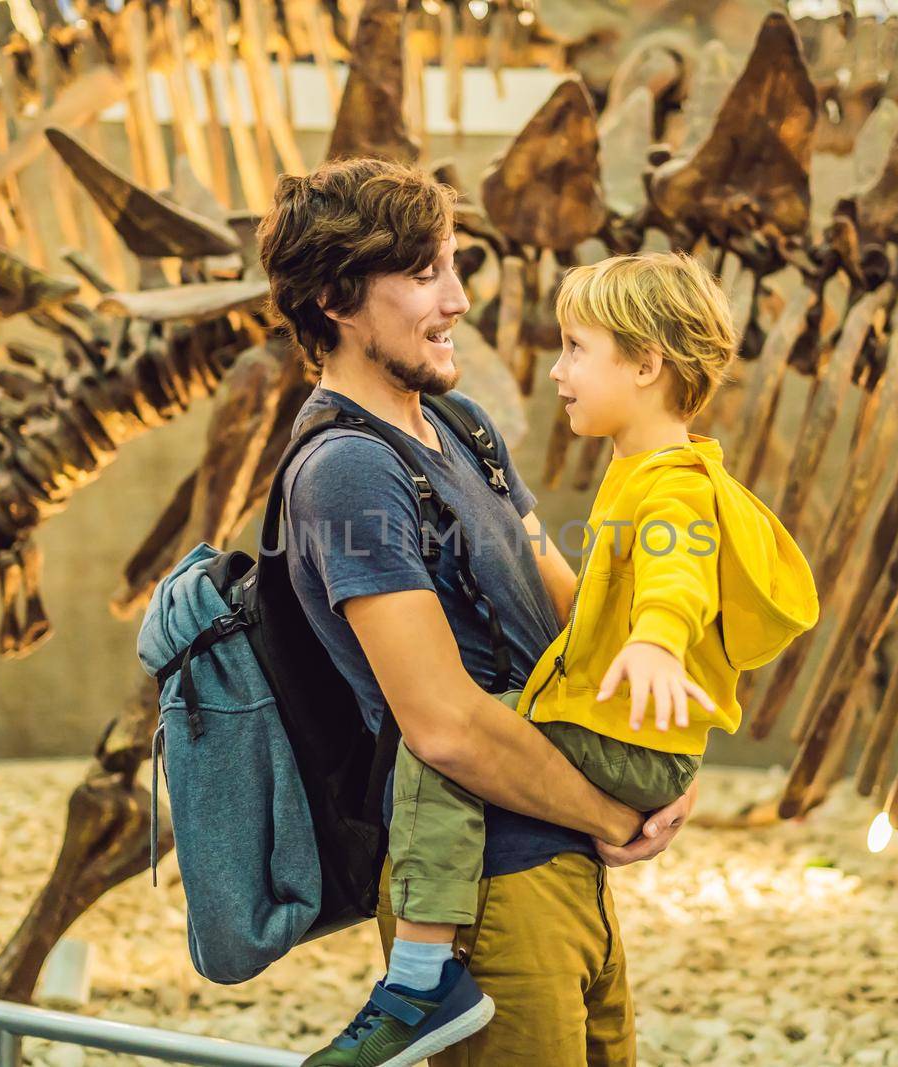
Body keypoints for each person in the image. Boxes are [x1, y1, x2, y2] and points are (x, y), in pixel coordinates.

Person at [322, 247, 822, 1063]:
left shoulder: (672, 483)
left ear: (647, 363)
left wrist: (659, 643)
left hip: (598, 781)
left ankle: (418, 976)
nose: (556, 372)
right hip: (601, 797)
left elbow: (676, 569)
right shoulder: (634, 470)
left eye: (576, 350)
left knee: (434, 751)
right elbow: (586, 599)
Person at [257, 158, 695, 1067]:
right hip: (482, 902)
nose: (459, 300)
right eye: (425, 274)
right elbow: (444, 724)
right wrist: (613, 815)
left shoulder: (462, 429)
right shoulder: (348, 469)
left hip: (567, 876)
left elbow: (575, 617)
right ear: (337, 297)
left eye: (454, 267)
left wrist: (659, 756)